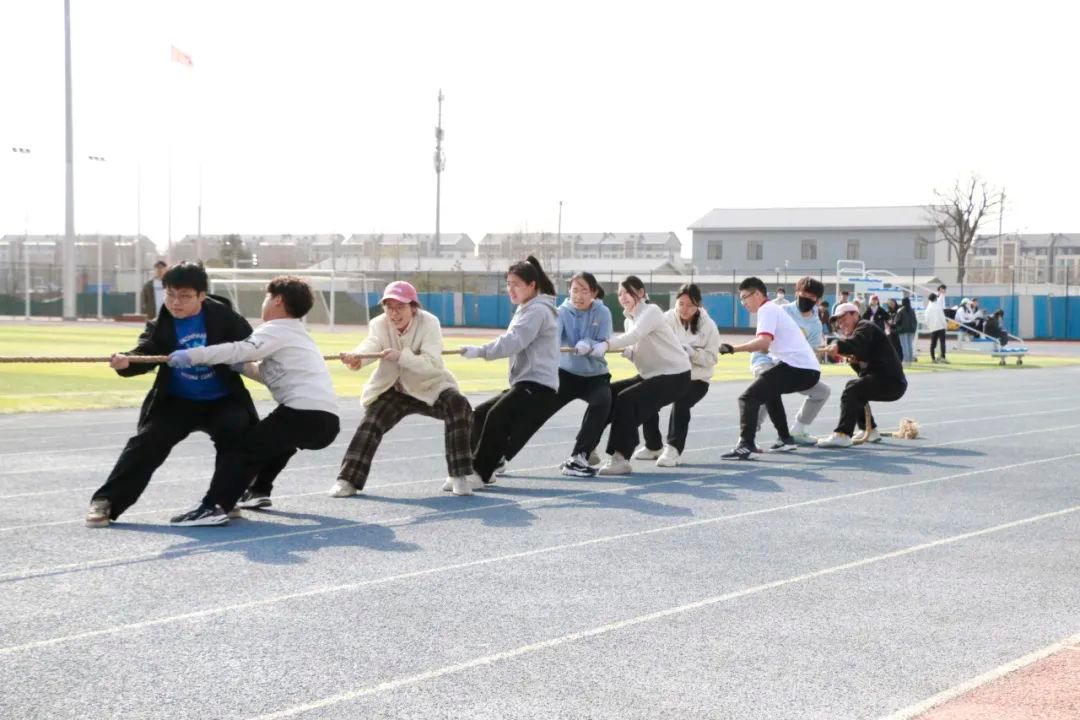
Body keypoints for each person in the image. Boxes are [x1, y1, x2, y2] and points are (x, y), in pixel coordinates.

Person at [84, 262, 260, 527]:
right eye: (170, 295)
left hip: (222, 399)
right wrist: (127, 362)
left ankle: (222, 500)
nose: (176, 303)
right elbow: (146, 351)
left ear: (202, 295)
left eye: (185, 296)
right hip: (177, 401)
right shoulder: (161, 324)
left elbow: (254, 345)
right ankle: (106, 501)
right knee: (145, 443)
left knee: (237, 436)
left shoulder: (225, 318)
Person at [166, 276, 341, 525]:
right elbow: (272, 375)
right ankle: (258, 491)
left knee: (242, 450)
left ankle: (214, 507)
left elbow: (240, 349)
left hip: (302, 414)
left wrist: (193, 355)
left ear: (277, 300)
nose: (264, 302)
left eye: (267, 297)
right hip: (327, 423)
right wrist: (241, 367)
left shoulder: (276, 329)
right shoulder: (300, 334)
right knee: (278, 444)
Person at [331, 281, 476, 498]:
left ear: (413, 308)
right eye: (389, 307)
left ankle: (459, 476)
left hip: (429, 386)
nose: (394, 313)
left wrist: (401, 357)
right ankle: (347, 480)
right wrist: (357, 358)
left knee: (459, 405)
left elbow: (432, 364)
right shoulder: (378, 324)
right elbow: (372, 344)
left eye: (400, 307)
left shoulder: (430, 323)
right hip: (395, 388)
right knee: (371, 423)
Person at [497, 271, 613, 478]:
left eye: (584, 291)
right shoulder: (561, 313)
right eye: (575, 290)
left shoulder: (603, 313)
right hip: (564, 374)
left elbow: (604, 340)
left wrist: (590, 344)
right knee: (537, 413)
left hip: (596, 375)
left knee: (602, 402)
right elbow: (553, 339)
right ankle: (500, 457)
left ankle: (578, 457)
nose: (578, 296)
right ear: (569, 291)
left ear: (594, 293)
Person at [460, 256, 561, 484]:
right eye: (508, 284)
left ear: (532, 285)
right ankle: (490, 463)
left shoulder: (538, 310)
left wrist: (480, 351)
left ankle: (480, 472)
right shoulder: (527, 308)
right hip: (525, 382)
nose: (510, 289)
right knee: (479, 414)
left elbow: (513, 341)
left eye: (516, 284)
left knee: (497, 416)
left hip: (538, 385)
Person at [590, 276, 691, 475]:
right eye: (620, 293)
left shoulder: (651, 311)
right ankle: (586, 449)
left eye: (628, 292)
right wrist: (629, 353)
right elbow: (639, 352)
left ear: (641, 293)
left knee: (627, 400)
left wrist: (606, 345)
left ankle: (620, 459)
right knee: (607, 393)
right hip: (652, 375)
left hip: (676, 375)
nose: (623, 297)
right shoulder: (629, 320)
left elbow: (634, 336)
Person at [719, 276, 822, 460]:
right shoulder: (773, 309)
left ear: (757, 294)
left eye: (744, 297)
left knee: (747, 398)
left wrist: (733, 348)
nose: (743, 303)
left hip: (798, 368)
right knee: (770, 394)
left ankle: (746, 445)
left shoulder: (767, 309)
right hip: (807, 370)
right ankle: (785, 439)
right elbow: (767, 345)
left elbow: (763, 342)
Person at [636, 283, 720, 467]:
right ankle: (653, 446)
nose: (684, 309)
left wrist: (693, 353)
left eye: (690, 305)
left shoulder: (709, 326)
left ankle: (673, 449)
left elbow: (712, 359)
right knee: (647, 395)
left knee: (682, 401)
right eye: (681, 303)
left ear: (698, 305)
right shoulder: (666, 319)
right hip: (670, 375)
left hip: (697, 379)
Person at [748, 276, 833, 447]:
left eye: (811, 296)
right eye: (803, 294)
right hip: (766, 359)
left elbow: (809, 352)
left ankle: (798, 431)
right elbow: (765, 341)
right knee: (768, 386)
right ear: (796, 293)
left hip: (791, 367)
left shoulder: (815, 324)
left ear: (818, 300)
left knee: (822, 391)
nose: (806, 298)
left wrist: (824, 352)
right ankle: (748, 436)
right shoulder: (781, 311)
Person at [817, 302, 907, 448]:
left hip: (891, 381)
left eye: (843, 318)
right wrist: (855, 361)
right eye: (838, 321)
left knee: (852, 389)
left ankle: (843, 434)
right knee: (855, 388)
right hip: (887, 381)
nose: (841, 324)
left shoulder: (865, 326)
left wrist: (839, 346)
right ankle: (869, 430)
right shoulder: (859, 334)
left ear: (855, 315)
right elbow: (862, 372)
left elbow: (857, 342)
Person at [924, 291, 949, 364]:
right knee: (942, 343)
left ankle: (933, 358)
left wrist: (929, 326)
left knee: (933, 344)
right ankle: (943, 357)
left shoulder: (928, 308)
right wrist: (945, 325)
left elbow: (926, 319)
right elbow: (942, 317)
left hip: (933, 328)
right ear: (935, 298)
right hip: (940, 327)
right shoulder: (938, 306)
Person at [894, 296, 918, 365]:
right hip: (911, 329)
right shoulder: (912, 310)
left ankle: (906, 360)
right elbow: (915, 320)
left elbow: (897, 320)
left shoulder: (900, 310)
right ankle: (910, 360)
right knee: (910, 345)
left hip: (903, 330)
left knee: (904, 345)